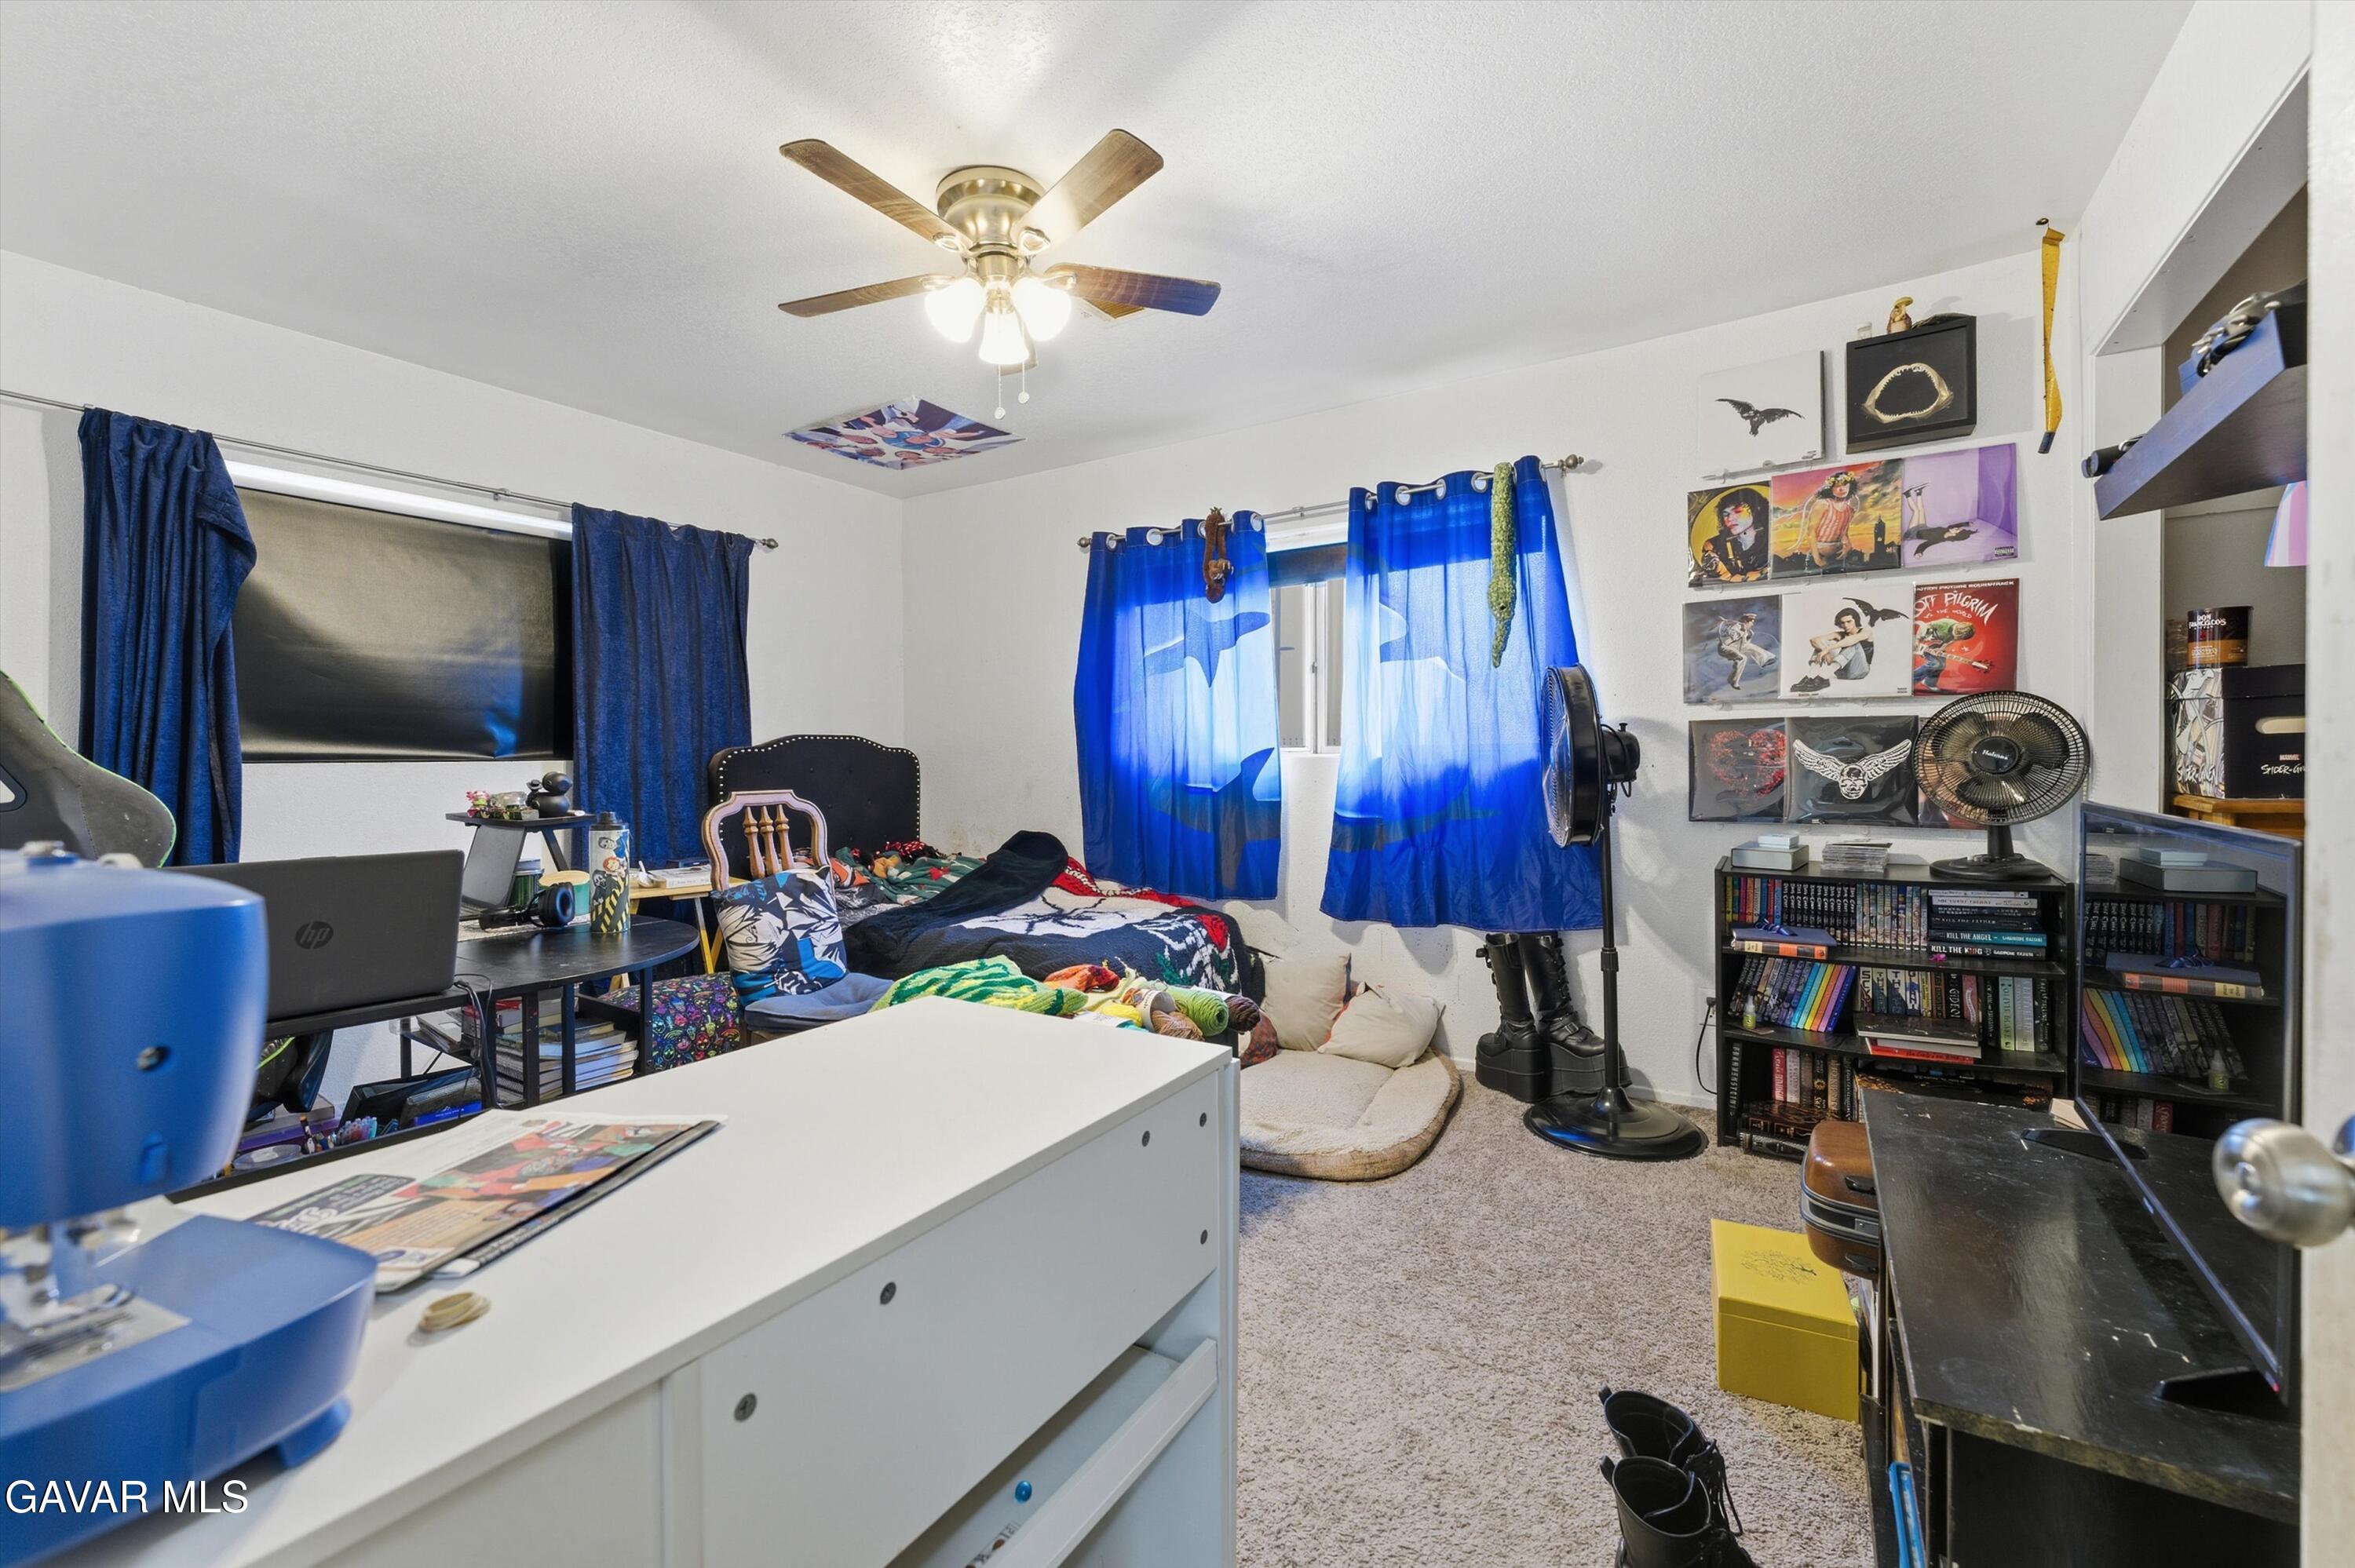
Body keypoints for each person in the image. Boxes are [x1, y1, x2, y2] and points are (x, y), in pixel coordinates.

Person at [1695, 487, 1769, 582]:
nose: (1730, 518)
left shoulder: (1772, 539)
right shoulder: (1714, 546)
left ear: (1756, 510)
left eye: (1737, 511)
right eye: (1725, 514)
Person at [1802, 469, 1864, 569]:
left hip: (1838, 557)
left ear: (1850, 486)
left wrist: (1848, 545)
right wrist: (1817, 558)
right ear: (1831, 488)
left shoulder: (1849, 509)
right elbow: (1811, 531)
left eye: (1844, 485)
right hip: (1819, 555)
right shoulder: (1823, 504)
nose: (1841, 489)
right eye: (1837, 486)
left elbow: (1844, 530)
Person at [1808, 606, 1875, 681]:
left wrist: (1828, 649)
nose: (1846, 625)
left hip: (1860, 671)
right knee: (1822, 644)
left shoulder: (1866, 631)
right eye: (1843, 623)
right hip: (1841, 672)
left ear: (1856, 620)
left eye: (1849, 622)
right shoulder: (1840, 634)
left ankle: (1823, 677)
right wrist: (1824, 650)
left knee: (1853, 643)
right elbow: (1814, 640)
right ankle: (1811, 677)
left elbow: (1853, 639)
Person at [1714, 610, 1776, 690]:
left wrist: (1748, 635)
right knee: (1743, 658)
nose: (1752, 624)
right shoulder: (1736, 627)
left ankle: (1766, 659)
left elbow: (1744, 644)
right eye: (1751, 622)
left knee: (1751, 647)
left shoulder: (1747, 631)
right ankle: (1733, 681)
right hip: (1725, 648)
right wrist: (1740, 631)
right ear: (1746, 621)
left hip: (1736, 648)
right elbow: (1729, 639)